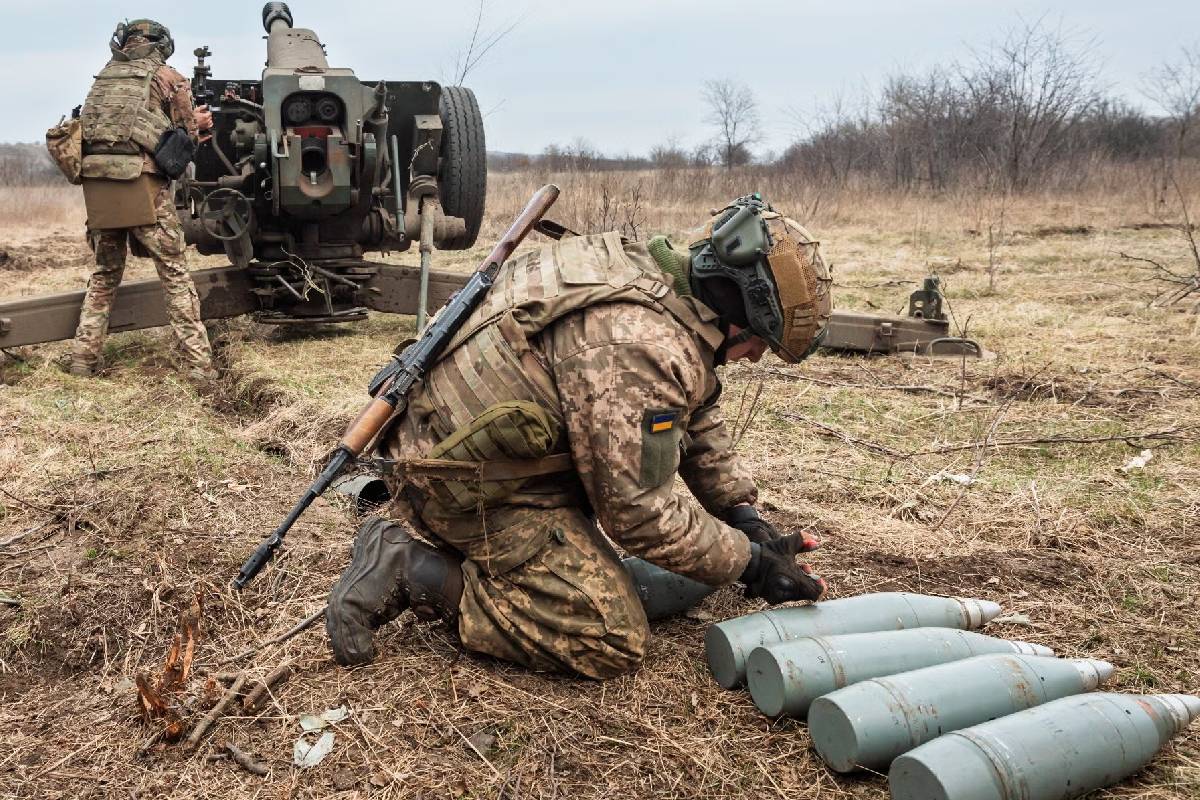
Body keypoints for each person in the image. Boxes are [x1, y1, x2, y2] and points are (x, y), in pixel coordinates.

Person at [326, 193, 834, 679]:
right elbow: (637, 514)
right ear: (738, 310)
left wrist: (741, 515)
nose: (755, 356)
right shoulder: (640, 345)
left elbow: (694, 406)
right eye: (759, 342)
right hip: (462, 487)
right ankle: (412, 568)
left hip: (452, 443)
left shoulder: (641, 271)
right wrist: (750, 564)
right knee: (609, 634)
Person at [68, 19, 216, 381]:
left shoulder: (104, 78)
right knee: (175, 275)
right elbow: (187, 139)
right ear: (162, 44)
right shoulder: (168, 77)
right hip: (143, 187)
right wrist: (198, 125)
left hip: (100, 189)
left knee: (104, 275)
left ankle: (82, 360)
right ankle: (200, 368)